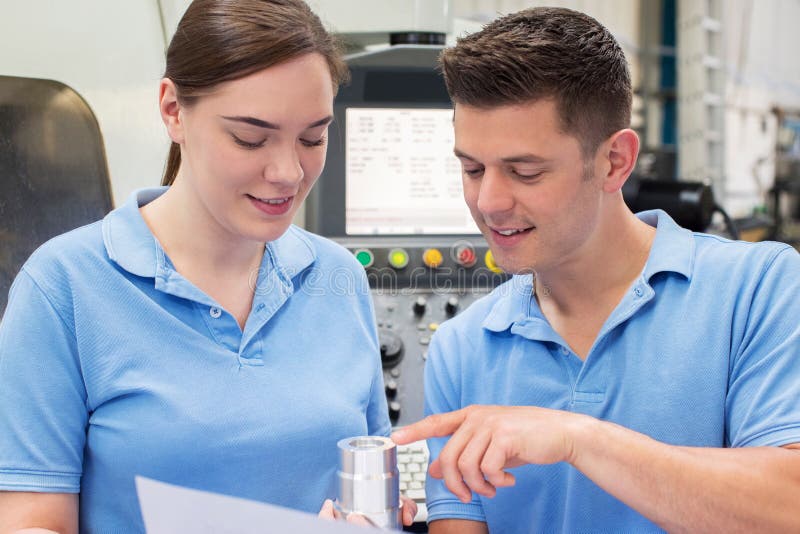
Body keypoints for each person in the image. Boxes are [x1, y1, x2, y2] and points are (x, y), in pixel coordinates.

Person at [0, 1, 415, 531]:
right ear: (174, 110)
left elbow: (372, 482)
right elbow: (29, 522)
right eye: (250, 137)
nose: (288, 171)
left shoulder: (338, 276)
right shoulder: (64, 285)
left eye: (313, 138)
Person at [391, 6, 800, 533]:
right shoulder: (462, 348)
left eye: (525, 171)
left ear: (614, 162)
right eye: (472, 168)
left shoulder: (757, 289)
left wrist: (580, 440)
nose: (488, 201)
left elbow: (788, 506)